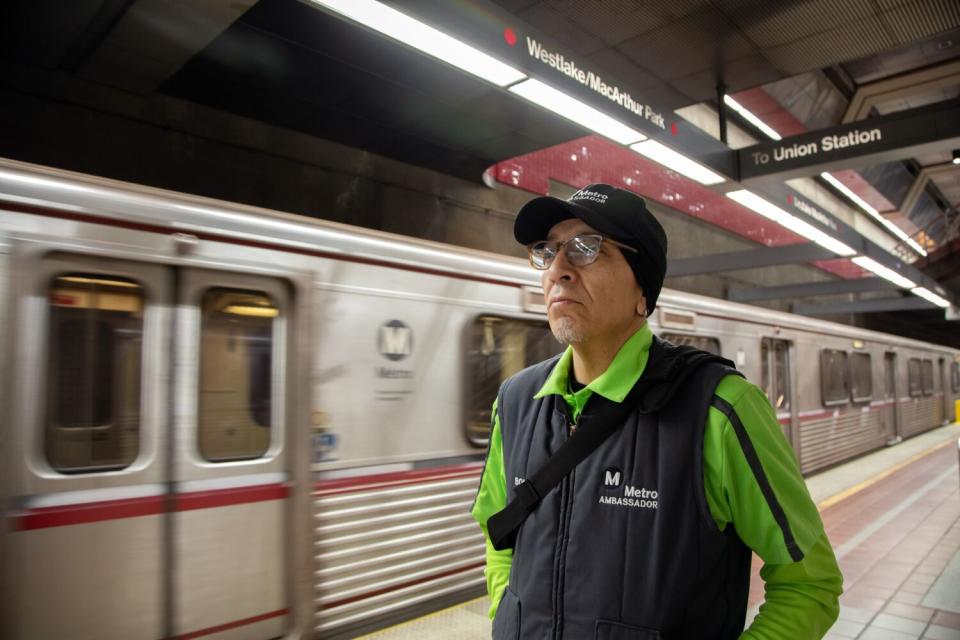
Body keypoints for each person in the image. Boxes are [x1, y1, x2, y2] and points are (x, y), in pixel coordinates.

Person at [471, 183, 843, 639]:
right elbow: (499, 535)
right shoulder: (514, 402)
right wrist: (506, 617)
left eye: (587, 248)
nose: (559, 269)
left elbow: (810, 585)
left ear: (642, 291)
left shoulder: (718, 410)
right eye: (548, 252)